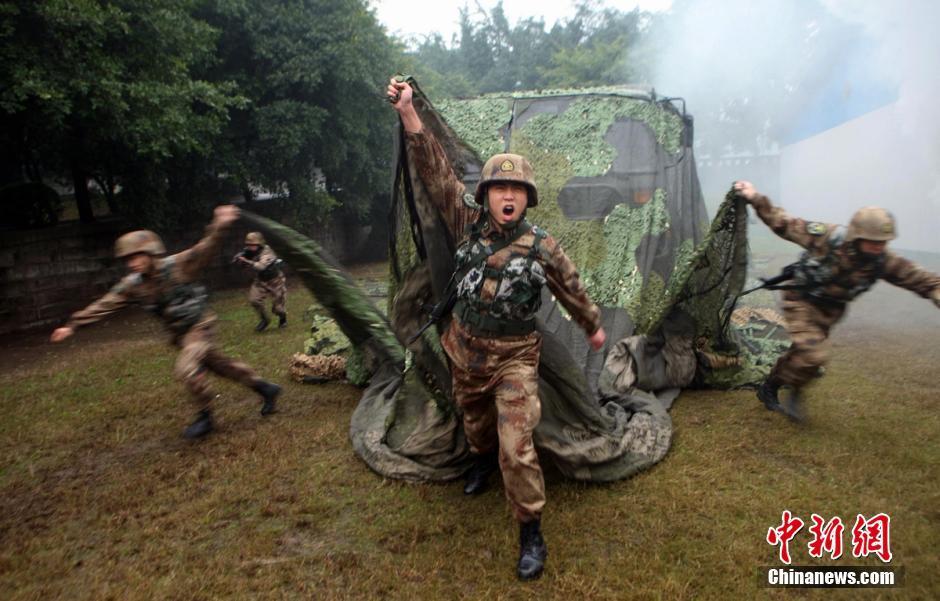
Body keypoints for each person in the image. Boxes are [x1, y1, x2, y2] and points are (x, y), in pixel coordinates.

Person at [388, 78, 607, 581]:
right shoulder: (466, 221)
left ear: (527, 198)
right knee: (475, 425)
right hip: (464, 351)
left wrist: (592, 327)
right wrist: (408, 112)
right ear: (486, 195)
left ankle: (530, 529)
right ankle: (480, 461)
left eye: (517, 190)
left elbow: (572, 289)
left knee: (517, 444)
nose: (508, 196)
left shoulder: (542, 246)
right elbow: (435, 169)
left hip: (514, 359)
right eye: (500, 189)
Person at [50, 206, 282, 439]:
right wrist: (73, 325)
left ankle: (206, 417)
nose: (132, 263)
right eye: (128, 259)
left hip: (199, 327)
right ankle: (266, 388)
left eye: (136, 256)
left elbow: (205, 248)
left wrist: (219, 225)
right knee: (223, 367)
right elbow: (105, 303)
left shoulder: (178, 266)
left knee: (186, 368)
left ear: (151, 252)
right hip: (181, 335)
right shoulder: (134, 285)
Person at [734, 180, 940, 421]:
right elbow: (783, 223)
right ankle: (793, 391)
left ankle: (770, 387)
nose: (878, 248)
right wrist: (754, 196)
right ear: (857, 236)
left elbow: (922, 280)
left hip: (829, 311)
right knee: (813, 356)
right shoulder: (829, 238)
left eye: (882, 243)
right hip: (801, 301)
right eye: (873, 242)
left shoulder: (884, 261)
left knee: (801, 354)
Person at [234, 231, 288, 331]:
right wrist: (239, 260)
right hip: (261, 280)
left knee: (278, 309)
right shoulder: (249, 251)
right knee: (254, 300)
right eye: (248, 245)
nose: (250, 247)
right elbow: (242, 262)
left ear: (259, 244)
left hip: (275, 281)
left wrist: (247, 261)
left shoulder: (267, 252)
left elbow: (261, 267)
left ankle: (283, 319)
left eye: (252, 245)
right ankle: (265, 319)